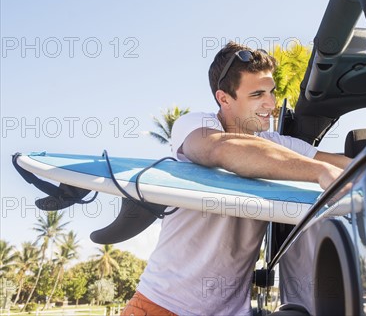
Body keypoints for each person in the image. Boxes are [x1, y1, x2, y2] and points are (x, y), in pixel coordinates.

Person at [121, 42, 350, 316]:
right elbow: (222, 150)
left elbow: (348, 165)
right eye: (257, 94)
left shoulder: (278, 144)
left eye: (271, 92)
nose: (270, 104)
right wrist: (319, 172)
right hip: (164, 305)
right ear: (224, 98)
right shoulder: (196, 126)